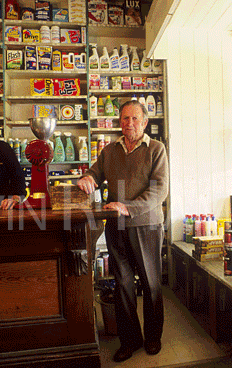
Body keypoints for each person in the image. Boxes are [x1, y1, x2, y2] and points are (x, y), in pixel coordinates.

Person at [78, 100, 169, 362]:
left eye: (135, 119)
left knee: (151, 284)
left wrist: (128, 207)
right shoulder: (110, 150)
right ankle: (129, 340)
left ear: (145, 122)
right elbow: (95, 173)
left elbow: (159, 190)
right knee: (123, 285)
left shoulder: (156, 149)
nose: (129, 123)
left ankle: (153, 337)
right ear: (119, 121)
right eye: (125, 118)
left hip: (146, 225)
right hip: (115, 225)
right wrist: (88, 178)